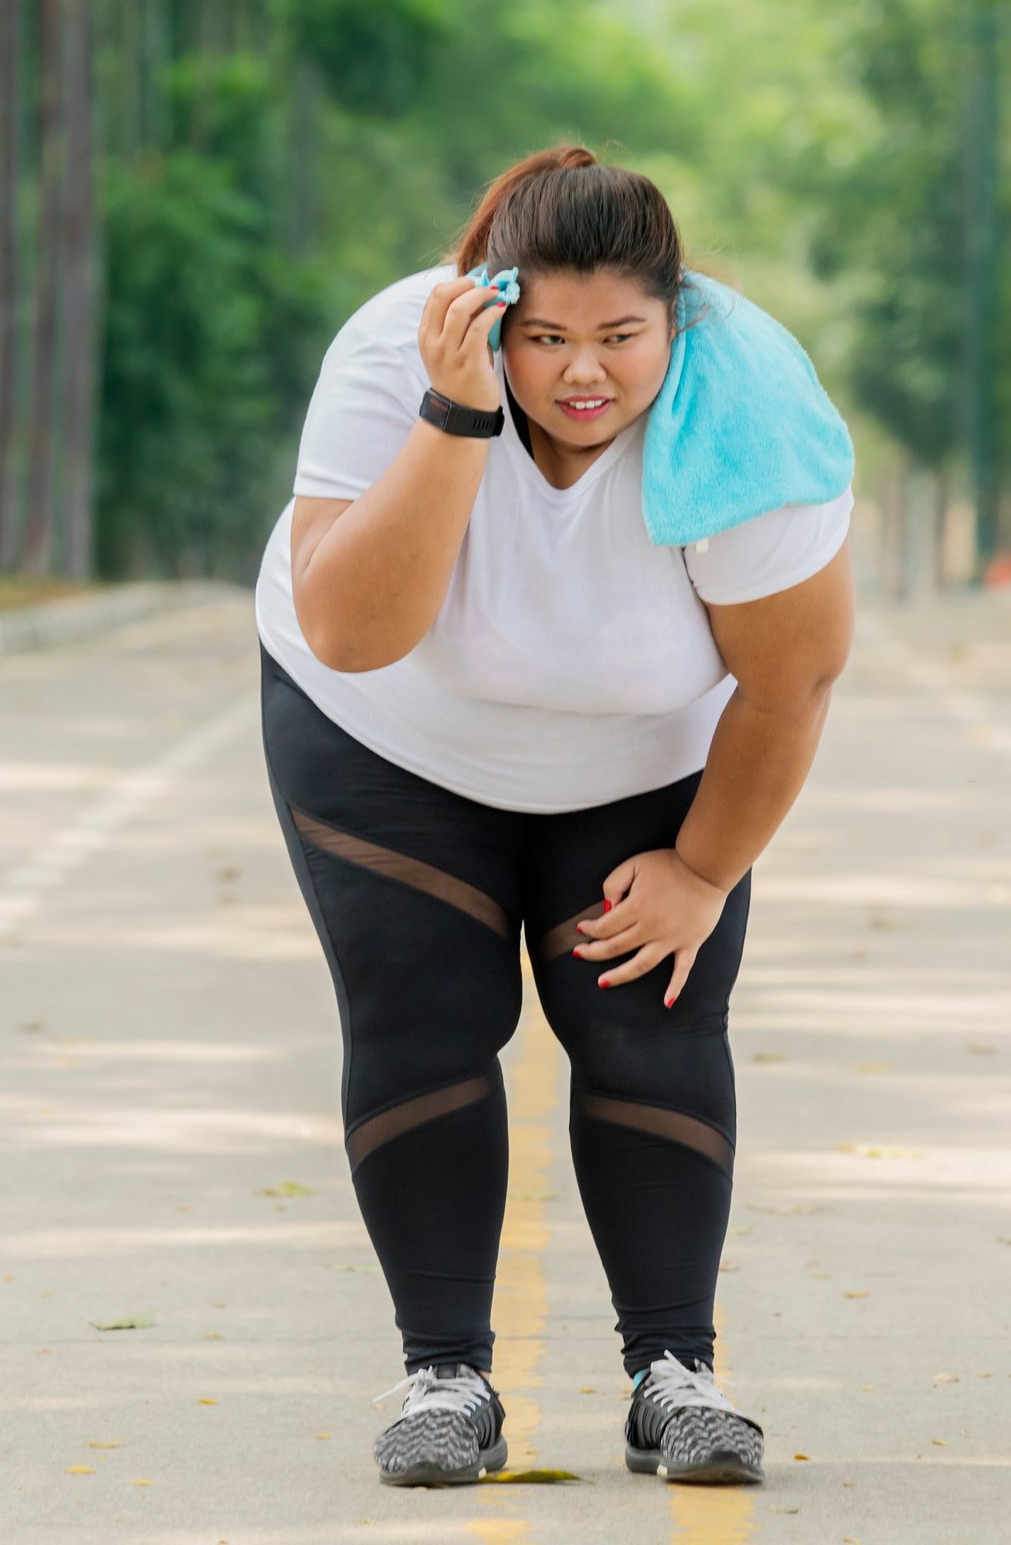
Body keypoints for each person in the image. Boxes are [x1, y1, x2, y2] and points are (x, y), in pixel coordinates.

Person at [254, 143, 854, 1489]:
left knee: (645, 1020)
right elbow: (349, 631)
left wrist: (703, 873)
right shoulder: (392, 357)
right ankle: (444, 1380)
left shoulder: (747, 408)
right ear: (491, 314)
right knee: (425, 1014)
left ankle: (675, 1376)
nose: (586, 372)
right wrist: (456, 416)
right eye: (548, 339)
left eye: (623, 336)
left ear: (676, 319)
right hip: (391, 732)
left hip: (641, 757)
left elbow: (794, 674)